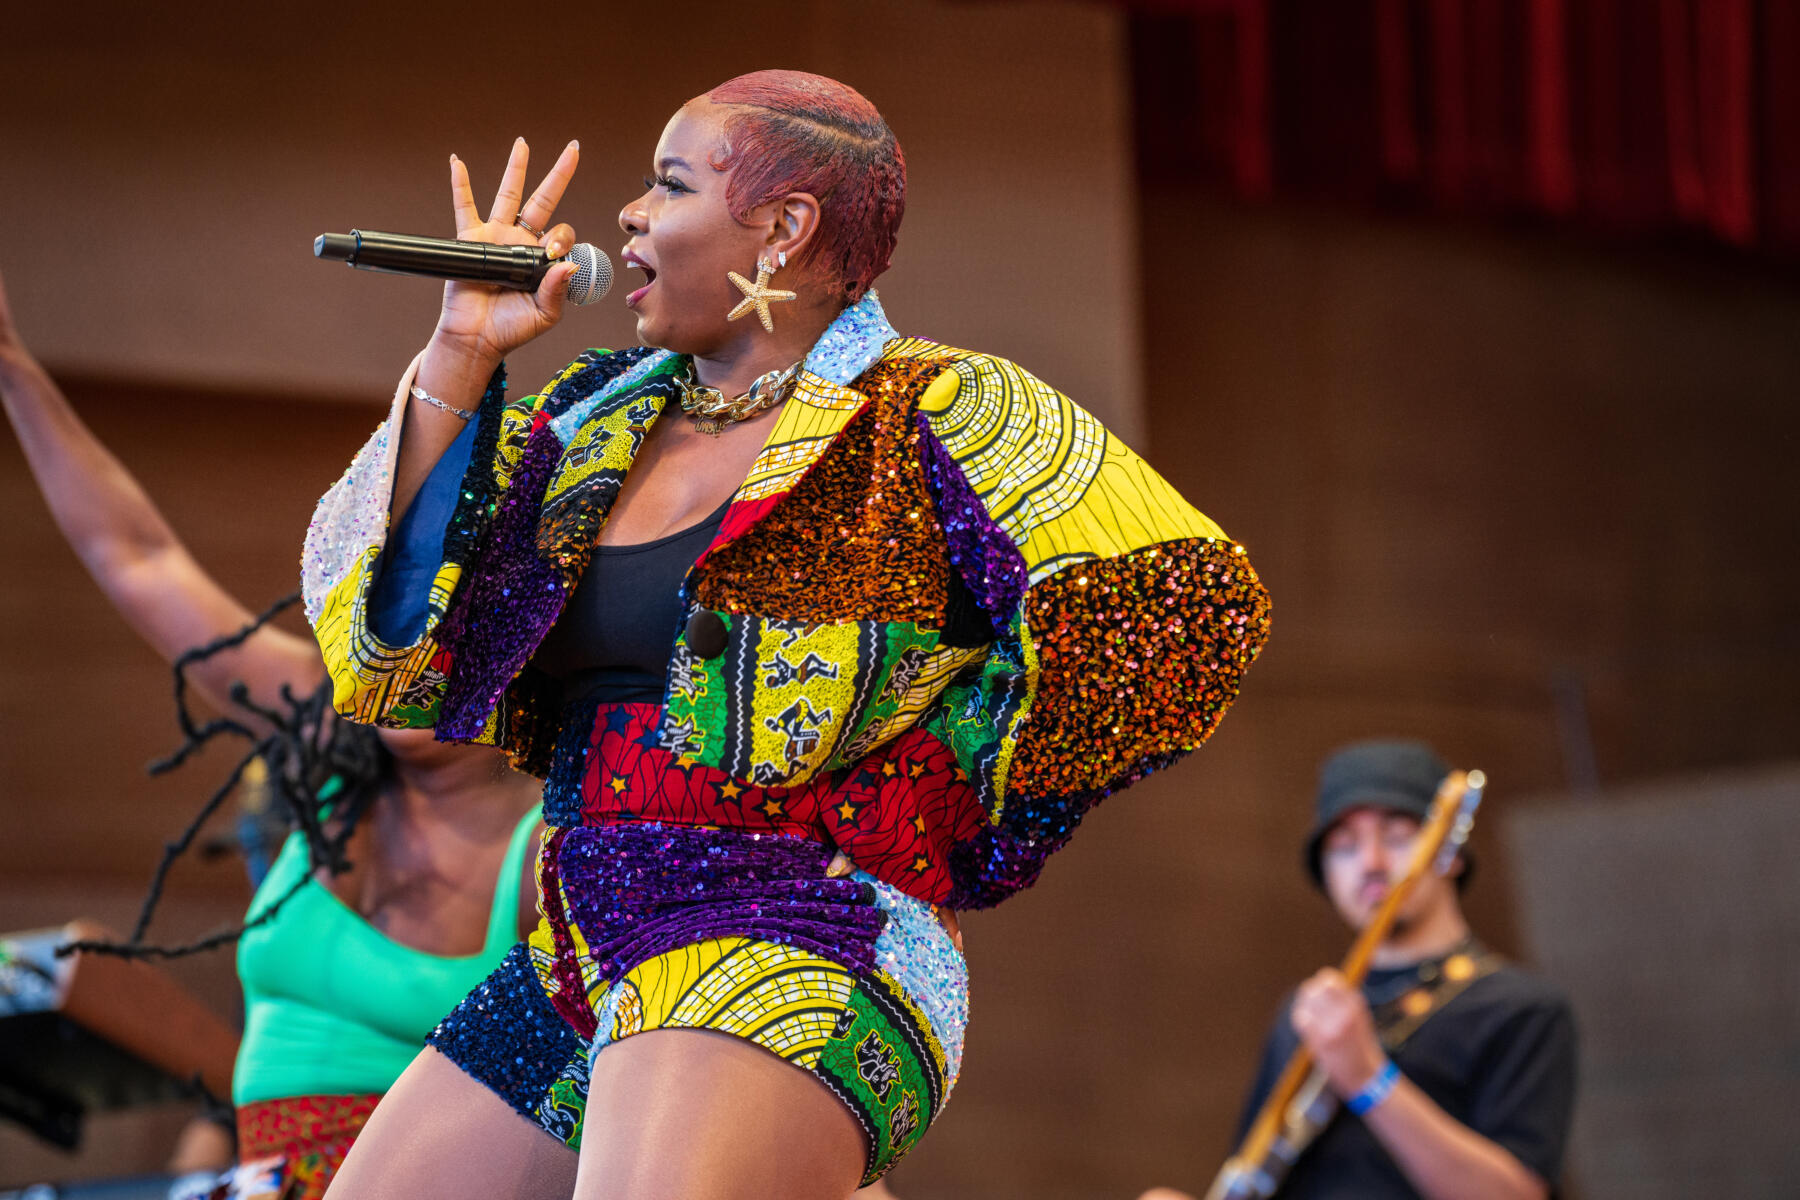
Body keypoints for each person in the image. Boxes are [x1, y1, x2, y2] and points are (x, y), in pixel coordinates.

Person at [305, 69, 1271, 1200]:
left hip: (802, 925)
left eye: (667, 184)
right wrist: (462, 357)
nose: (626, 216)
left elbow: (1188, 610)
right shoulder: (593, 420)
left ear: (782, 229)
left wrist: (929, 794)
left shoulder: (937, 405)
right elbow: (395, 659)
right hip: (583, 945)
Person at [0, 263, 548, 1199]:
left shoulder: (554, 843)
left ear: (512, 651)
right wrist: (13, 366)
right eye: (397, 627)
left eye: (447, 640)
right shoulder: (321, 731)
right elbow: (136, 557)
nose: (411, 667)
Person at [1144, 740, 1578, 1200]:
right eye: (1344, 846)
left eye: (1396, 836)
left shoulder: (1520, 1010)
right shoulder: (1306, 1011)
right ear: (1326, 874)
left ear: (1450, 851)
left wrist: (1369, 1078)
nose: (1370, 863)